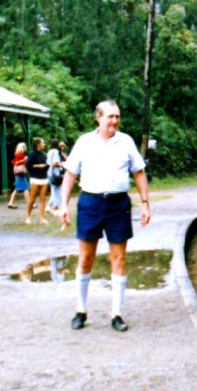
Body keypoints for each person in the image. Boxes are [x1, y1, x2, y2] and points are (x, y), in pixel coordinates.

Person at [59, 100, 151, 332]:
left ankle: (116, 314)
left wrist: (146, 203)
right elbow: (70, 175)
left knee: (119, 258)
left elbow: (139, 174)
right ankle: (81, 311)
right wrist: (63, 205)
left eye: (117, 116)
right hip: (90, 203)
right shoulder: (84, 142)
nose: (115, 121)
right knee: (86, 258)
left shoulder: (126, 142)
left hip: (118, 205)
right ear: (98, 118)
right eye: (110, 116)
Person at [25, 138, 50, 225]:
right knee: (32, 199)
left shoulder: (43, 154)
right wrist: (38, 166)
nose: (44, 144)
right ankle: (28, 216)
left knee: (43, 199)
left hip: (44, 178)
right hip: (35, 178)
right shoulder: (32, 155)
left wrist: (47, 165)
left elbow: (46, 166)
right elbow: (28, 166)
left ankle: (42, 218)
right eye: (43, 143)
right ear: (38, 144)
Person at [46, 139, 67, 215]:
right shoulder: (56, 152)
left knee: (54, 190)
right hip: (55, 173)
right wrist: (63, 165)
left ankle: (48, 206)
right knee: (57, 191)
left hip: (49, 173)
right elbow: (55, 163)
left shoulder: (49, 152)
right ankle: (56, 208)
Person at [7, 142, 28, 209]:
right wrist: (24, 159)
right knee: (26, 189)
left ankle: (10, 202)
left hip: (19, 174)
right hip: (20, 174)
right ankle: (30, 203)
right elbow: (15, 162)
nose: (25, 148)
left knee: (16, 190)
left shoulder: (17, 154)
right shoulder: (21, 154)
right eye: (24, 147)